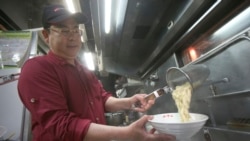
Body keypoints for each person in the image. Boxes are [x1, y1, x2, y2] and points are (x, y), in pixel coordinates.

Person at [17, 4, 176, 141]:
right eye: (64, 30)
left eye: (75, 30)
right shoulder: (37, 69)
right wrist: (126, 133)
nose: (72, 37)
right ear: (46, 35)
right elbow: (61, 125)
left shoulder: (83, 70)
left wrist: (129, 102)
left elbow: (101, 98)